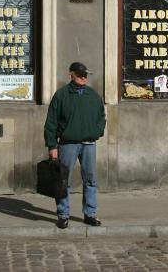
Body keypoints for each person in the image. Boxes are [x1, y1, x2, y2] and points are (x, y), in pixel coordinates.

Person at [44, 62, 106, 229]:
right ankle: (63, 214)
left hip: (89, 144)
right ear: (70, 74)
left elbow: (102, 116)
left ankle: (90, 214)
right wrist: (52, 146)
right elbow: (51, 123)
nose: (83, 77)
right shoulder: (61, 95)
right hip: (67, 144)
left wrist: (97, 131)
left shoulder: (93, 96)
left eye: (85, 74)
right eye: (79, 74)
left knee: (91, 180)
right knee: (63, 181)